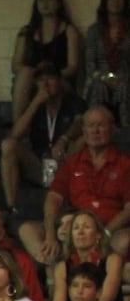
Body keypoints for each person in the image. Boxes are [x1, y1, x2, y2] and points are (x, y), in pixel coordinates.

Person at [33, 105, 130, 265]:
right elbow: (53, 198)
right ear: (84, 132)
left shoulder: (125, 164)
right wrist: (50, 235)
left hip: (110, 228)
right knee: (27, 230)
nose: (95, 131)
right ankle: (56, 268)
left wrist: (105, 232)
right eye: (91, 126)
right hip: (76, 227)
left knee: (125, 241)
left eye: (101, 125)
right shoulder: (72, 163)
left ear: (112, 129)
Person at [1, 61, 85, 214]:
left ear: (60, 81)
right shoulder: (36, 105)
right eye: (41, 80)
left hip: (64, 162)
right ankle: (11, 207)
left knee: (82, 141)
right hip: (40, 165)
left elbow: (81, 122)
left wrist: (64, 139)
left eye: (50, 78)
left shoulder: (73, 102)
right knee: (8, 145)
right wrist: (35, 103)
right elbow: (15, 134)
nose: (45, 83)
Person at [83, 0, 130, 127]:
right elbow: (90, 64)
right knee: (99, 87)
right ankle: (97, 128)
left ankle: (126, 131)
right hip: (99, 78)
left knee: (125, 88)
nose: (116, 2)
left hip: (125, 78)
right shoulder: (94, 30)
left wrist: (121, 78)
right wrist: (105, 78)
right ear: (105, 1)